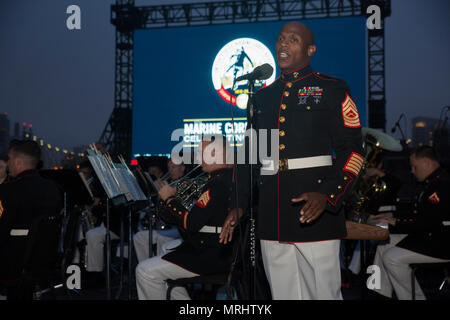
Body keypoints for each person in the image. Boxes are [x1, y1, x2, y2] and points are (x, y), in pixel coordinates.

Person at [222, 21, 363, 300]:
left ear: (310, 49)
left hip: (316, 212)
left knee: (323, 294)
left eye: (293, 40)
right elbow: (250, 157)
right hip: (272, 214)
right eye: (280, 38)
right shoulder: (262, 97)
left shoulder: (331, 88)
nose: (283, 44)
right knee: (283, 295)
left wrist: (328, 196)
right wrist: (238, 204)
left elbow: (353, 152)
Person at [135, 136, 241, 300]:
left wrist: (169, 199)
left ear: (214, 153)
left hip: (213, 255)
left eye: (201, 153)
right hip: (219, 249)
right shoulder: (227, 177)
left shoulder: (217, 184)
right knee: (166, 250)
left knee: (144, 270)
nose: (198, 158)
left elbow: (191, 223)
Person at [371, 146, 450, 300]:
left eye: (414, 166)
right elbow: (418, 210)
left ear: (427, 163)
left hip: (442, 243)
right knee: (383, 243)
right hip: (432, 236)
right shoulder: (433, 181)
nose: (412, 171)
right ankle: (381, 294)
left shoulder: (442, 185)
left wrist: (396, 221)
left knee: (392, 258)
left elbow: (427, 221)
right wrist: (393, 214)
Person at [0, 140, 63, 300]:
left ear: (18, 161)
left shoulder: (8, 191)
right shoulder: (53, 188)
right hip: (44, 259)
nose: (7, 165)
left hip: (15, 262)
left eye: (9, 159)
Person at [133, 158, 186, 262]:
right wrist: (154, 190)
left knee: (163, 238)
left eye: (173, 167)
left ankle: (158, 270)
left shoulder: (186, 184)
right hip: (165, 226)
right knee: (139, 237)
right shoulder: (168, 183)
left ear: (182, 168)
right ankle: (145, 267)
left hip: (179, 228)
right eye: (169, 168)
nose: (170, 171)